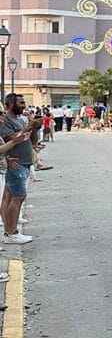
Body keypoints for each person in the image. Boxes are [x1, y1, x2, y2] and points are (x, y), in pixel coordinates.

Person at [2, 93, 38, 245]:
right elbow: (11, 140)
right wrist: (27, 127)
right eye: (20, 102)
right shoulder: (6, 121)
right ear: (10, 103)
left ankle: (9, 231)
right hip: (15, 162)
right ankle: (12, 233)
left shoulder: (21, 119)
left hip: (24, 162)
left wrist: (34, 128)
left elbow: (31, 140)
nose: (24, 105)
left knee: (10, 197)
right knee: (18, 197)